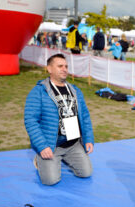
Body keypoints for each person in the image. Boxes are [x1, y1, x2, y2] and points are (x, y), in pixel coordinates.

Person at [24, 54, 94, 186]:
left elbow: (85, 116)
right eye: (60, 66)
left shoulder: (75, 91)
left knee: (86, 173)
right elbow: (30, 120)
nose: (64, 69)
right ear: (49, 69)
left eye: (66, 66)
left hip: (72, 144)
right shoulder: (39, 91)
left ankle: (66, 158)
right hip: (51, 145)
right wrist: (42, 146)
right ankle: (39, 158)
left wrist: (89, 138)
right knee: (51, 181)